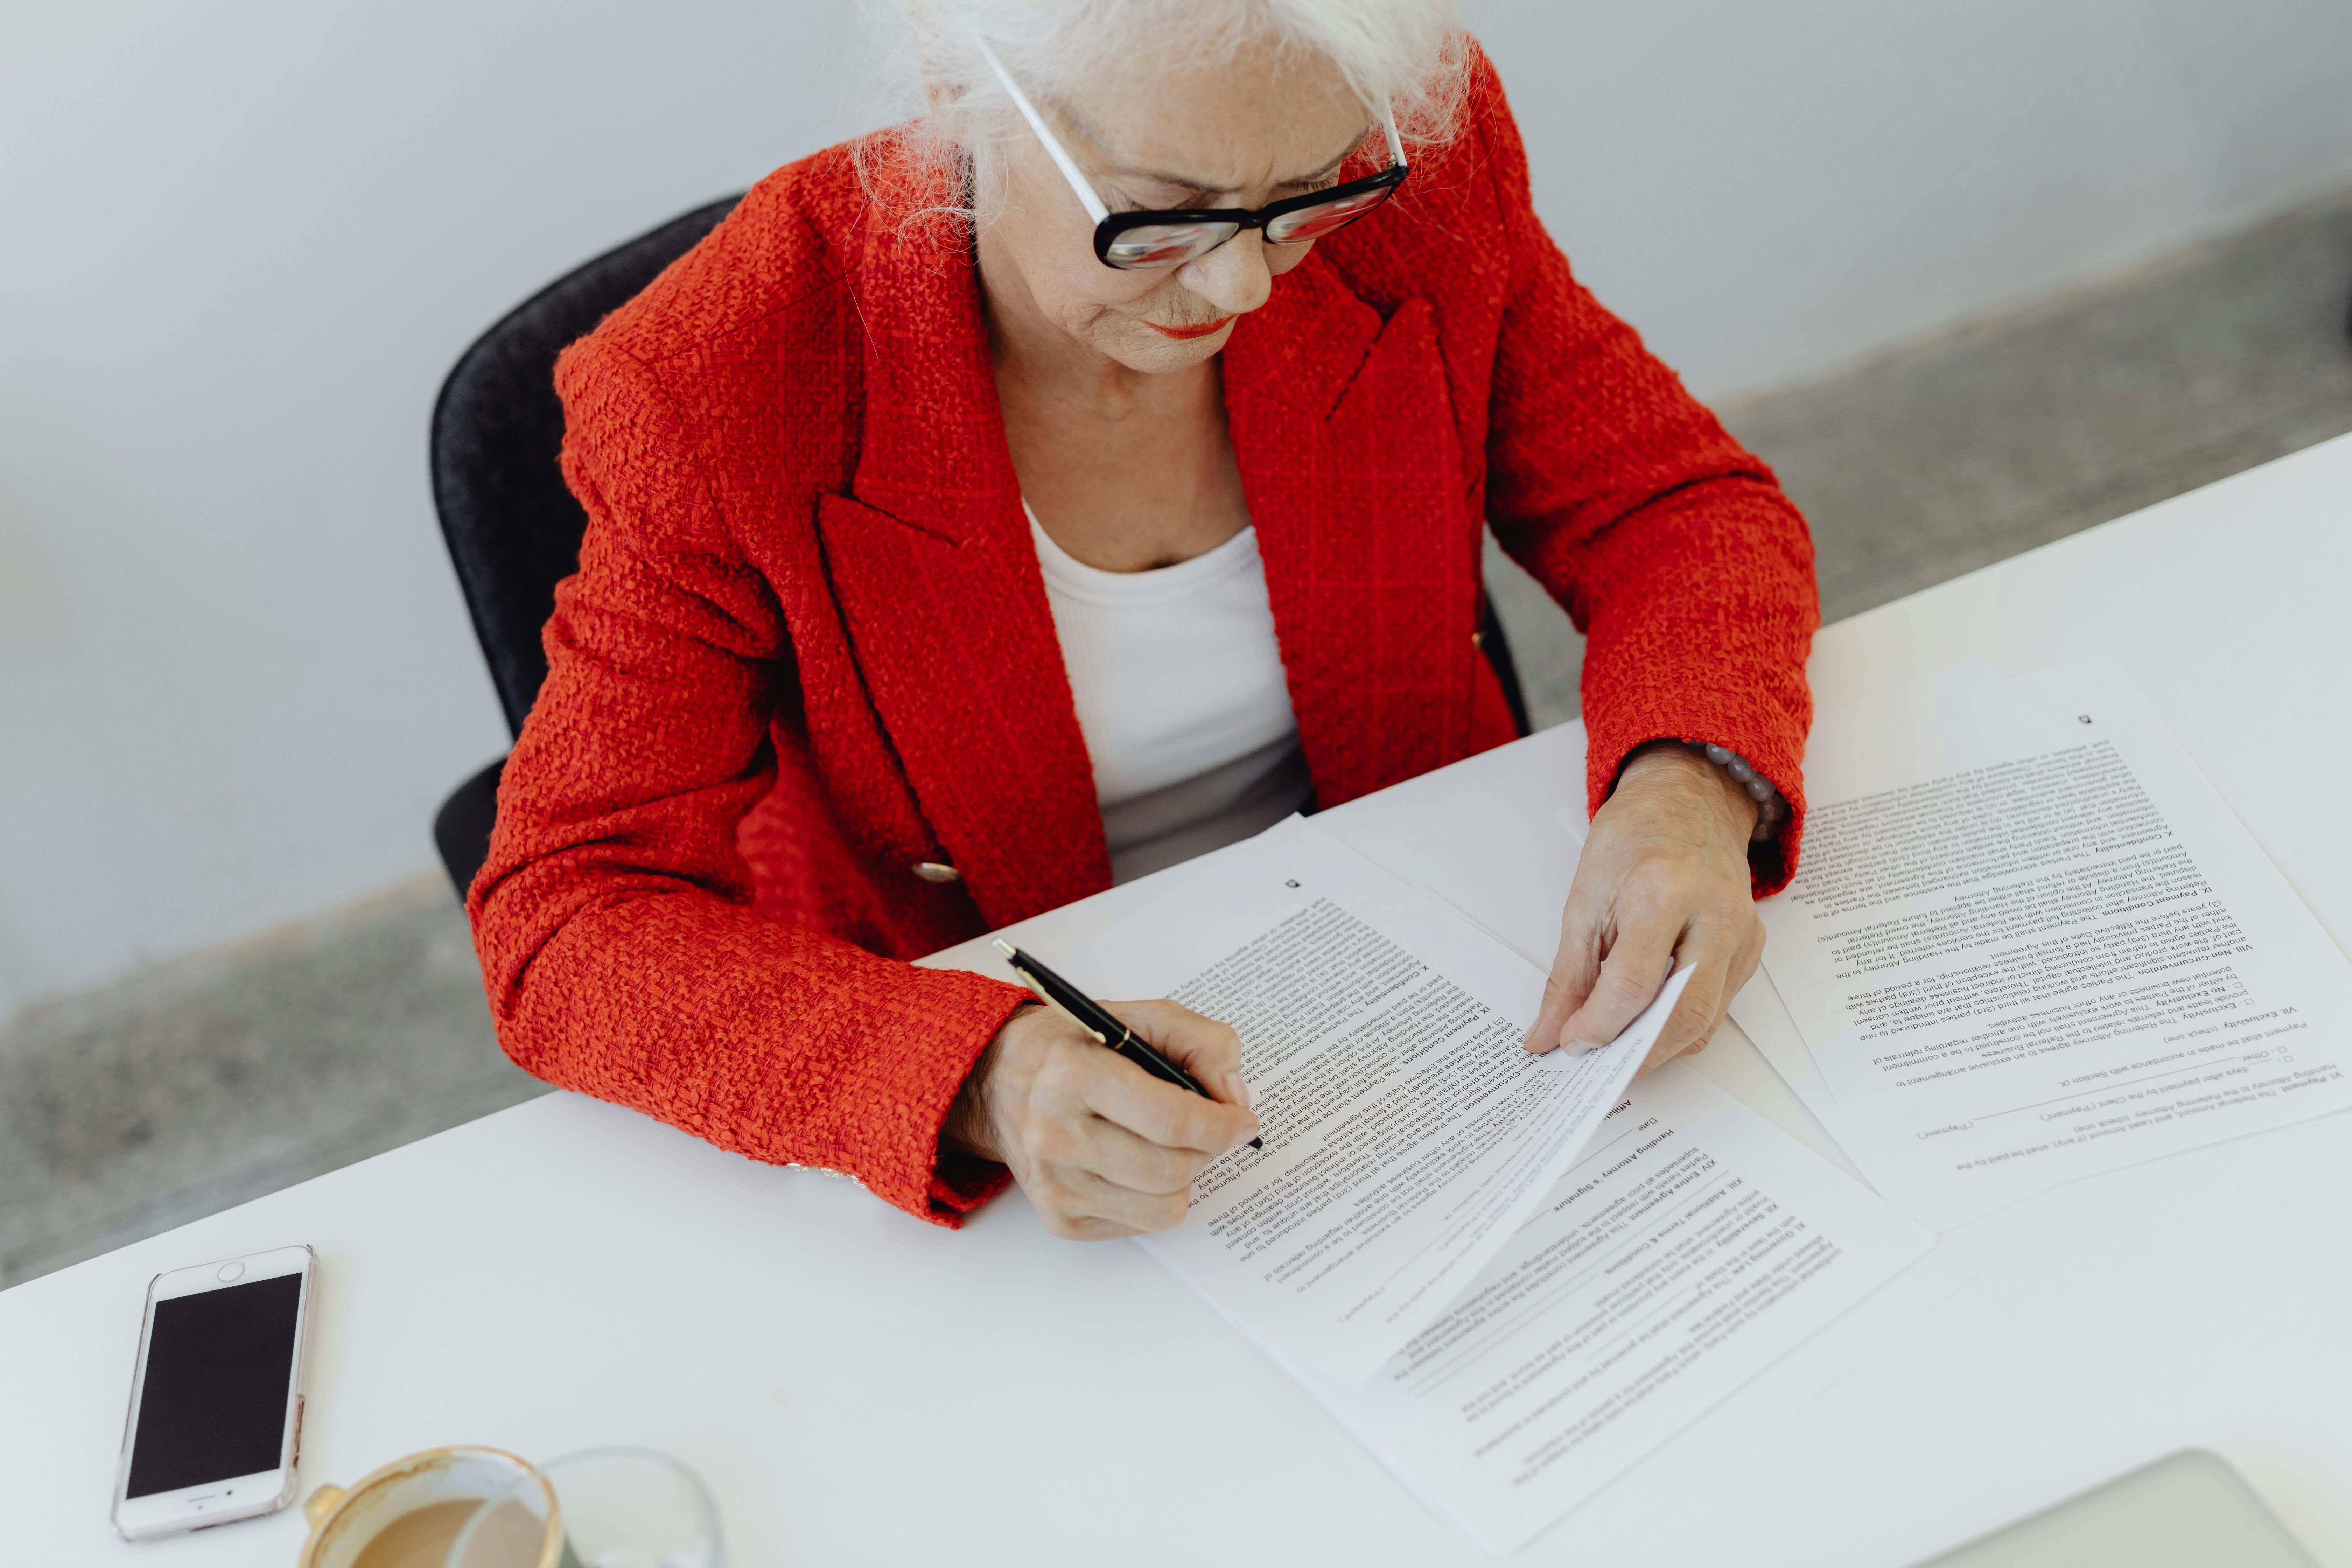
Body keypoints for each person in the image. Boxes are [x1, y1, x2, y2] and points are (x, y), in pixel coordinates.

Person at [469, 0, 1818, 1241]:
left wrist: (1686, 788)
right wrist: (979, 1078)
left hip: (1431, 954)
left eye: (1308, 201)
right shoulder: (719, 385)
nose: (1243, 291)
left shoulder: (1420, 174)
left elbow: (1676, 508)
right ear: (961, 86)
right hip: (1007, 1025)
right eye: (1159, 219)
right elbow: (563, 912)